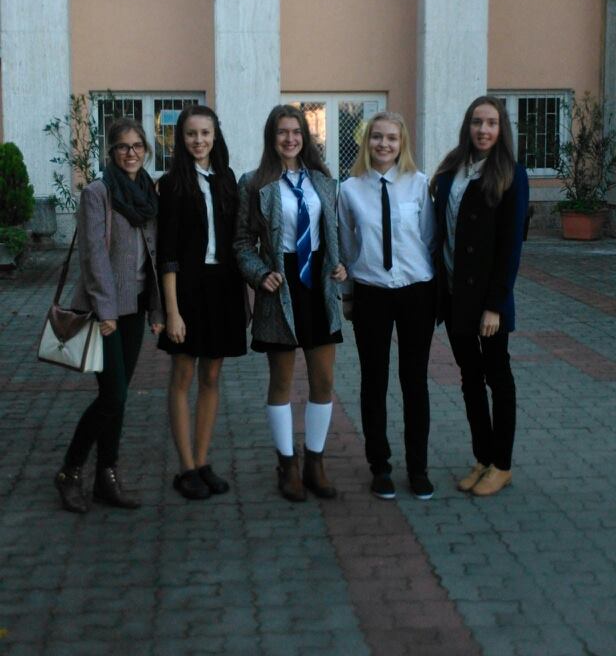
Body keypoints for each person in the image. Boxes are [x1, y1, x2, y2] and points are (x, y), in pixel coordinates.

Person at [234, 104, 346, 502]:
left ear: (305, 136)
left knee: (324, 380)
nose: (290, 138)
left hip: (318, 286)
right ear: (272, 137)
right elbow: (242, 242)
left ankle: (315, 461)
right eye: (282, 132)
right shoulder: (254, 183)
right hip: (279, 285)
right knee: (282, 381)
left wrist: (340, 265)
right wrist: (259, 273)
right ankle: (287, 463)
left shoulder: (323, 180)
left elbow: (334, 232)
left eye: (296, 132)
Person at [54, 118, 164, 514]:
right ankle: (69, 471)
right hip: (107, 311)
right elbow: (94, 256)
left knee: (117, 397)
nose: (130, 153)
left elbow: (153, 252)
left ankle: (106, 476)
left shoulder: (148, 191)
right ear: (111, 151)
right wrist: (105, 311)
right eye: (122, 146)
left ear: (146, 150)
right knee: (113, 394)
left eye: (137, 146)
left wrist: (156, 309)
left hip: (136, 306)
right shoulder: (97, 193)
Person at [431, 96, 529, 497]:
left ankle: (501, 465)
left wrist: (495, 305)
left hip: (487, 301)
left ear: (501, 129)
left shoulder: (511, 174)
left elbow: (510, 246)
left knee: (498, 378)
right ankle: (482, 457)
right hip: (454, 296)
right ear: (467, 126)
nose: (483, 130)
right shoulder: (452, 169)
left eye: (491, 123)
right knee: (470, 379)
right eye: (477, 122)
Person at [338, 111, 437, 501]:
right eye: (377, 137)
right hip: (371, 293)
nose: (384, 144)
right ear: (368, 142)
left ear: (402, 143)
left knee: (414, 381)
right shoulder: (350, 189)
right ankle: (379, 466)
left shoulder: (419, 184)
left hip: (415, 292)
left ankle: (418, 468)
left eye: (392, 138)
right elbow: (347, 245)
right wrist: (348, 295)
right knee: (373, 380)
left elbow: (428, 238)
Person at [157, 105, 247, 500]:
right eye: (191, 134)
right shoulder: (172, 184)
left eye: (205, 133)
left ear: (215, 136)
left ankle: (202, 459)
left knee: (211, 376)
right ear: (181, 138)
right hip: (186, 290)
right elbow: (167, 253)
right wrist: (172, 311)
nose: (199, 141)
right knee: (183, 376)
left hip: (223, 288)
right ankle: (186, 467)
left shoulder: (226, 179)